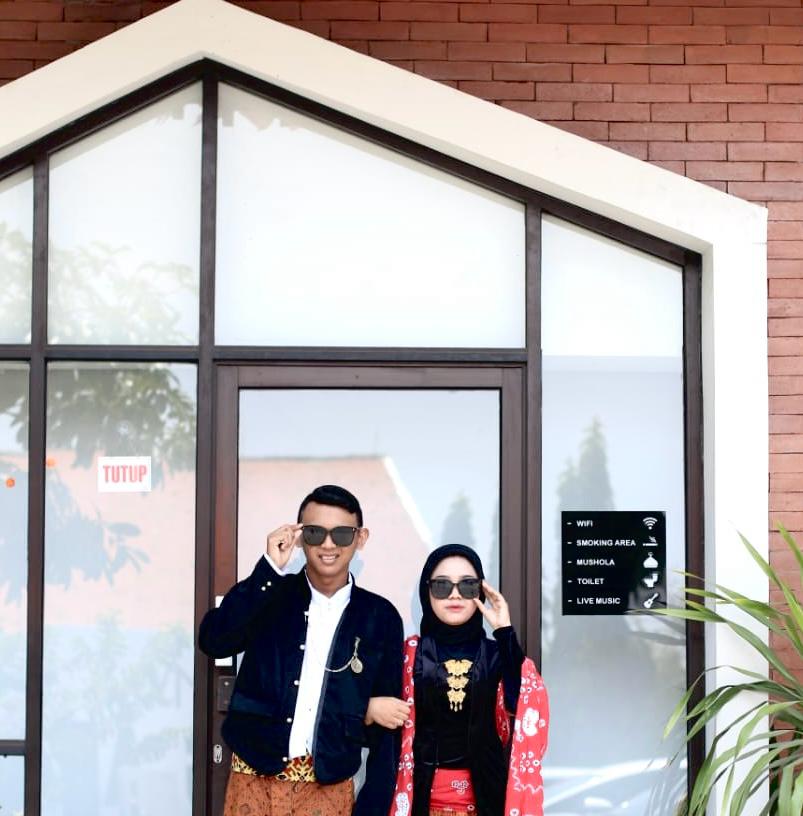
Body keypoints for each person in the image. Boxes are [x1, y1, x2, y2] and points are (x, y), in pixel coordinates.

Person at [199, 484, 405, 816]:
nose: (328, 544)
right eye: (315, 532)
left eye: (341, 534)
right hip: (253, 782)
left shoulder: (380, 618)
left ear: (361, 538)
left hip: (328, 790)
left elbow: (386, 726)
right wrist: (268, 569)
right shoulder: (270, 594)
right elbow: (215, 640)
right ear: (299, 536)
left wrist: (374, 806)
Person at [365, 543, 549, 816]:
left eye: (467, 586)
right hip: (418, 802)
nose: (454, 594)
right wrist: (370, 708)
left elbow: (523, 707)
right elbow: (366, 718)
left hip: (487, 802)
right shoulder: (407, 656)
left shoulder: (498, 655)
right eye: (442, 585)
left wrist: (504, 632)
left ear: (481, 592)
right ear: (426, 592)